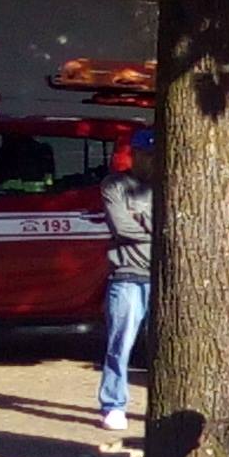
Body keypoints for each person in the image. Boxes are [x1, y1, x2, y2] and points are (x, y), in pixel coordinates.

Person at [98, 132, 154, 431]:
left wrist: (143, 224)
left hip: (161, 279)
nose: (152, 160)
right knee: (120, 344)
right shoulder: (115, 185)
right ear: (135, 154)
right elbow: (121, 226)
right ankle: (113, 404)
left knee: (162, 348)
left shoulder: (169, 184)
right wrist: (155, 228)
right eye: (147, 154)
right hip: (128, 276)